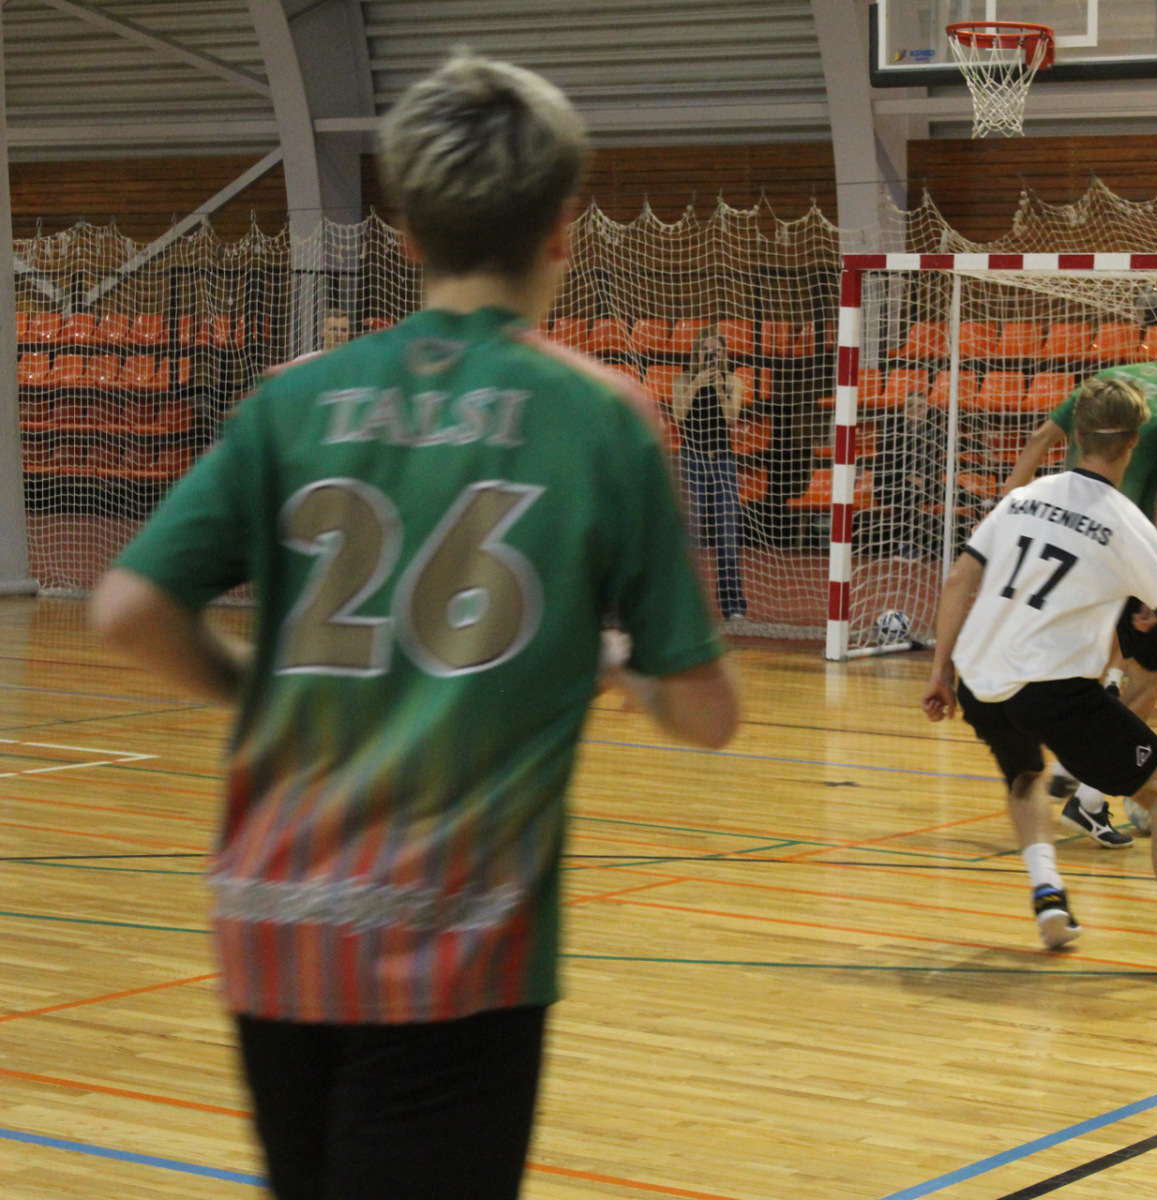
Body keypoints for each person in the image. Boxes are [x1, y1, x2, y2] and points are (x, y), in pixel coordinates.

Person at [88, 53, 740, 1200]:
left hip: (272, 926)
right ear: (563, 228)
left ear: (406, 232)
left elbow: (128, 610)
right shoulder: (602, 419)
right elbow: (706, 714)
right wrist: (616, 665)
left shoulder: (293, 397)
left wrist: (254, 687)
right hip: (456, 944)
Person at [923, 375, 1157, 982]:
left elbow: (957, 581)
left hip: (979, 677)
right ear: (1133, 443)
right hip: (1051, 686)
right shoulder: (1126, 523)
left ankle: (1048, 890)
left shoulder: (1022, 497)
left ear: (1074, 435)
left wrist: (939, 670)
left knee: (1026, 774)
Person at [1002, 309, 1157, 845]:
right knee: (1147, 681)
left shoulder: (1109, 378)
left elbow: (1041, 438)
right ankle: (1087, 788)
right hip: (1119, 555)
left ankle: (1075, 775)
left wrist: (1007, 511)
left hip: (1061, 542)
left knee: (1087, 669)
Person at [672, 325, 750, 619]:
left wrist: (718, 388)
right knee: (691, 536)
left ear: (724, 354)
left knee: (727, 535)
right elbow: (679, 417)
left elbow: (731, 418)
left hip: (722, 461)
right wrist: (697, 385)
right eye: (705, 349)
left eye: (716, 350)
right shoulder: (683, 380)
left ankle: (733, 606)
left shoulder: (733, 380)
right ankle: (687, 605)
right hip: (691, 459)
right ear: (696, 353)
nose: (711, 354)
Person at [870, 386, 947, 561]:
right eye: (910, 406)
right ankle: (905, 545)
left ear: (927, 409)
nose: (915, 410)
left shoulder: (934, 433)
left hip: (924, 483)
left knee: (952, 489)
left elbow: (958, 443)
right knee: (910, 490)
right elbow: (885, 466)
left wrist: (985, 450)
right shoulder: (892, 432)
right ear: (904, 409)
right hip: (892, 484)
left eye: (919, 406)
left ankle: (987, 503)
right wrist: (907, 476)